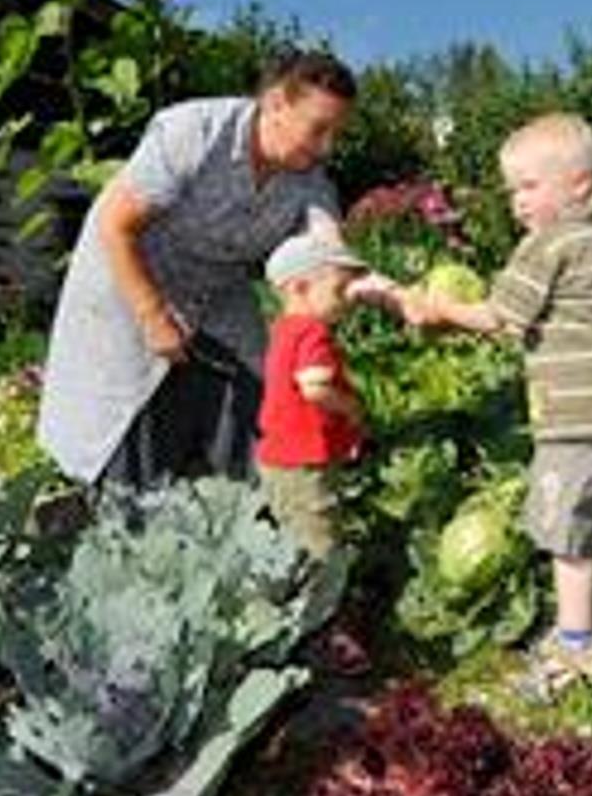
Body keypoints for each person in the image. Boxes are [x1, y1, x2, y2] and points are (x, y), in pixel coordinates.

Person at [403, 112, 592, 701]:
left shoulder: (549, 243)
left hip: (575, 412)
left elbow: (499, 318)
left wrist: (434, 308)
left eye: (530, 186)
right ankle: (586, 619)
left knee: (565, 531)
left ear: (581, 187)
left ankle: (577, 648)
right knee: (580, 519)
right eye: (513, 188)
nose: (517, 201)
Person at [37, 49, 356, 491]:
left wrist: (409, 301)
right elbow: (115, 223)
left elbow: (332, 255)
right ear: (276, 103)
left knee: (257, 388)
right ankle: (123, 518)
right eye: (319, 129)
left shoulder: (309, 177)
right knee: (127, 418)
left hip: (214, 285)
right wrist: (151, 315)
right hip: (132, 269)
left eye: (336, 133)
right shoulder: (194, 132)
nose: (327, 147)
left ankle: (241, 509)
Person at [255, 232, 372, 560]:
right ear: (300, 288)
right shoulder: (312, 331)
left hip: (279, 458)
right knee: (319, 545)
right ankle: (318, 604)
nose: (347, 299)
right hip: (304, 462)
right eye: (339, 290)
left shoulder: (282, 328)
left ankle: (296, 597)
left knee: (292, 536)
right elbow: (315, 387)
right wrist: (351, 408)